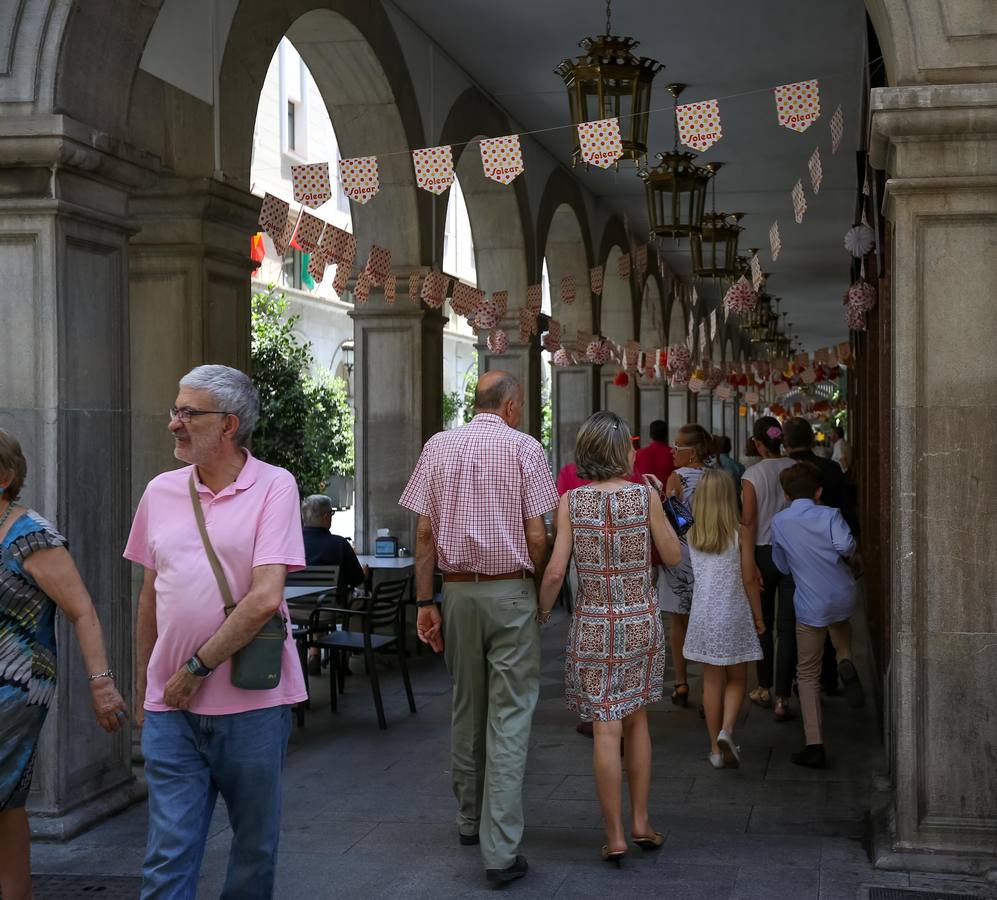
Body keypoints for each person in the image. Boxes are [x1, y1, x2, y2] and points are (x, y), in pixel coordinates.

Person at [125, 365, 308, 900]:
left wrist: (194, 668)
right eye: (174, 410)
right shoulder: (160, 492)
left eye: (189, 413)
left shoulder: (275, 486)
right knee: (167, 853)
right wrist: (146, 684)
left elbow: (265, 597)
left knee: (253, 851)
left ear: (228, 425)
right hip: (171, 711)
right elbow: (149, 596)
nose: (174, 424)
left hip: (251, 705)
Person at [399, 371, 558, 886]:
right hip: (510, 588)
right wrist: (537, 590)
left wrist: (426, 600)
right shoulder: (526, 448)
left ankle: (469, 820)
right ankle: (501, 850)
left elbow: (424, 532)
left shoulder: (439, 446)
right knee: (510, 716)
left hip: (458, 591)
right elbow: (537, 533)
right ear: (511, 406)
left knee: (467, 704)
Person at [538, 412, 681, 865]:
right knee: (637, 721)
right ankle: (642, 821)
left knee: (606, 728)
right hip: (640, 621)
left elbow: (557, 570)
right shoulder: (644, 496)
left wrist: (541, 613)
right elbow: (674, 555)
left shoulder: (571, 502)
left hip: (595, 624)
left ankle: (615, 835)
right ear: (621, 452)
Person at [0, 429, 128, 900]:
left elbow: (82, 610)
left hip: (14, 685)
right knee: (8, 801)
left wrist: (101, 684)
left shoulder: (31, 536)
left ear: (5, 476)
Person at [771, 462, 864, 769]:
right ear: (819, 491)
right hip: (841, 594)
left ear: (786, 495)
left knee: (807, 672)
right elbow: (846, 546)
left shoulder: (780, 522)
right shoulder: (830, 514)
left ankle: (814, 744)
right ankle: (845, 660)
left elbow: (782, 566)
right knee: (840, 629)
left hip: (809, 604)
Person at [683, 470, 764, 769]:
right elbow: (748, 578)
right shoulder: (740, 532)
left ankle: (714, 750)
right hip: (733, 611)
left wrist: (658, 491)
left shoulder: (690, 531)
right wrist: (759, 615)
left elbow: (671, 511)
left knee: (711, 681)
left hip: (703, 614)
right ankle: (727, 731)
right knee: (738, 677)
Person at [782, 417, 861, 694]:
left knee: (801, 620)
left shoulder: (783, 471)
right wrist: (855, 548)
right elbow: (849, 509)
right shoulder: (830, 468)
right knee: (835, 617)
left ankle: (800, 679)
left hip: (795, 555)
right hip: (835, 551)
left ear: (786, 443)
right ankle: (833, 672)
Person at [741, 416, 796, 721]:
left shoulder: (752, 475)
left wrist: (747, 561)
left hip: (762, 554)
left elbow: (748, 520)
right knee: (788, 628)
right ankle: (783, 698)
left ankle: (764, 686)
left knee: (763, 623)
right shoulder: (794, 469)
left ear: (758, 443)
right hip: (791, 552)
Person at [657, 424, 711, 708]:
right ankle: (709, 686)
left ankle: (681, 682)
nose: (672, 451)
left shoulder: (676, 478)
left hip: (683, 553)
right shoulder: (718, 477)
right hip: (712, 552)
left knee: (679, 620)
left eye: (677, 447)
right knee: (706, 621)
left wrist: (662, 500)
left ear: (691, 452)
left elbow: (679, 522)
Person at [300, 494, 367, 675]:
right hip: (329, 609)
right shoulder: (339, 544)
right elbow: (356, 579)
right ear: (324, 517)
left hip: (294, 609)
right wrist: (365, 574)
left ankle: (313, 652)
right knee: (357, 600)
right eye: (331, 513)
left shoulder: (291, 542)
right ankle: (344, 657)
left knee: (317, 601)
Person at [633, 419, 675, 487]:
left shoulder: (639, 453)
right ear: (666, 434)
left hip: (646, 494)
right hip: (667, 495)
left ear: (650, 434)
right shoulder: (674, 454)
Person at [714, 435, 745, 500]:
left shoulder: (710, 464)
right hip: (734, 501)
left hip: (714, 499)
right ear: (730, 448)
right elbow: (743, 486)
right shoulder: (739, 466)